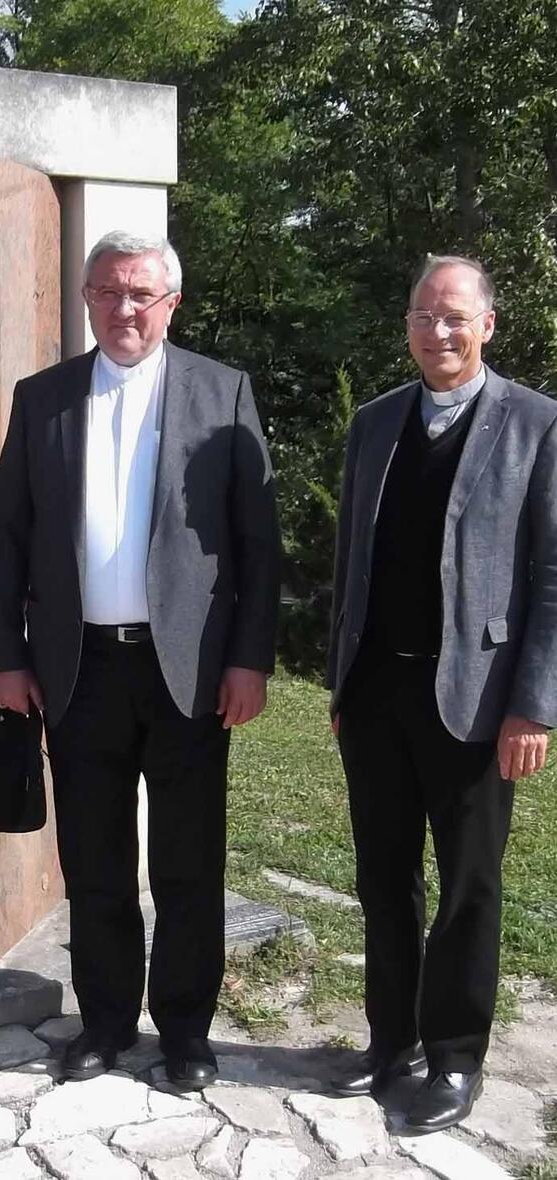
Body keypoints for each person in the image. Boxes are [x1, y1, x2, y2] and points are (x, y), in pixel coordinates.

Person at [0, 230, 281, 1087]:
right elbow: (6, 539)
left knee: (188, 861)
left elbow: (257, 545)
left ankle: (185, 1032)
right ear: (87, 298)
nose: (124, 309)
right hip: (78, 669)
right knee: (95, 861)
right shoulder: (42, 399)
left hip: (188, 673)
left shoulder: (222, 393)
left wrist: (250, 659)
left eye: (141, 294)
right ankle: (107, 1023)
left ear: (171, 303)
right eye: (108, 292)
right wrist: (7, 655)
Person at [327, 254, 556, 1129]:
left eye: (456, 316)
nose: (439, 331)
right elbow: (352, 561)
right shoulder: (375, 423)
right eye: (425, 315)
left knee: (468, 886)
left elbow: (553, 577)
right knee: (384, 879)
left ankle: (456, 1058)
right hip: (377, 692)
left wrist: (534, 704)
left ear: (487, 325)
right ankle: (391, 1042)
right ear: (408, 327)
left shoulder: (537, 424)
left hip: (477, 699)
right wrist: (342, 683)